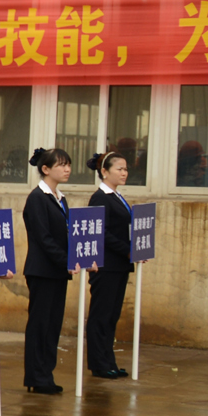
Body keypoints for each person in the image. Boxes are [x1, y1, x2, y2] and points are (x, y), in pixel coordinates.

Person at [22, 146, 74, 394]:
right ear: (45, 169)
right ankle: (36, 376)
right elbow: (43, 238)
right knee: (40, 325)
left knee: (53, 325)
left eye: (68, 164)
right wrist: (66, 260)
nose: (67, 169)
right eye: (61, 165)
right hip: (42, 271)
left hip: (58, 271)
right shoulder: (37, 198)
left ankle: (46, 374)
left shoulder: (60, 198)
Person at [84, 150, 134, 379]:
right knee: (101, 315)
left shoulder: (117, 196)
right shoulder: (100, 198)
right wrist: (127, 249)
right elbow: (101, 232)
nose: (124, 173)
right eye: (119, 169)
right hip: (105, 265)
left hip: (120, 264)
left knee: (112, 315)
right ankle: (99, 364)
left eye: (126, 169)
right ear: (104, 171)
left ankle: (109, 361)